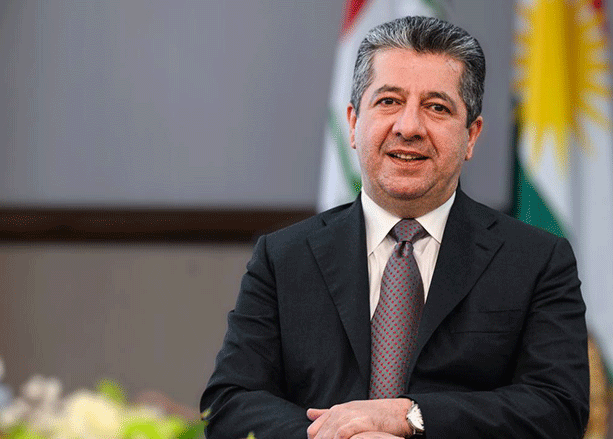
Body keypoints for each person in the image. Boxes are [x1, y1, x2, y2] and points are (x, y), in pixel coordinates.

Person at [201, 16, 588, 439]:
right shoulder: (283, 258)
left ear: (472, 136)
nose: (408, 127)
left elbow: (557, 408)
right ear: (353, 123)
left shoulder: (536, 261)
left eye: (437, 107)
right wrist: (343, 436)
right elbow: (230, 403)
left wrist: (410, 416)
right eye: (388, 101)